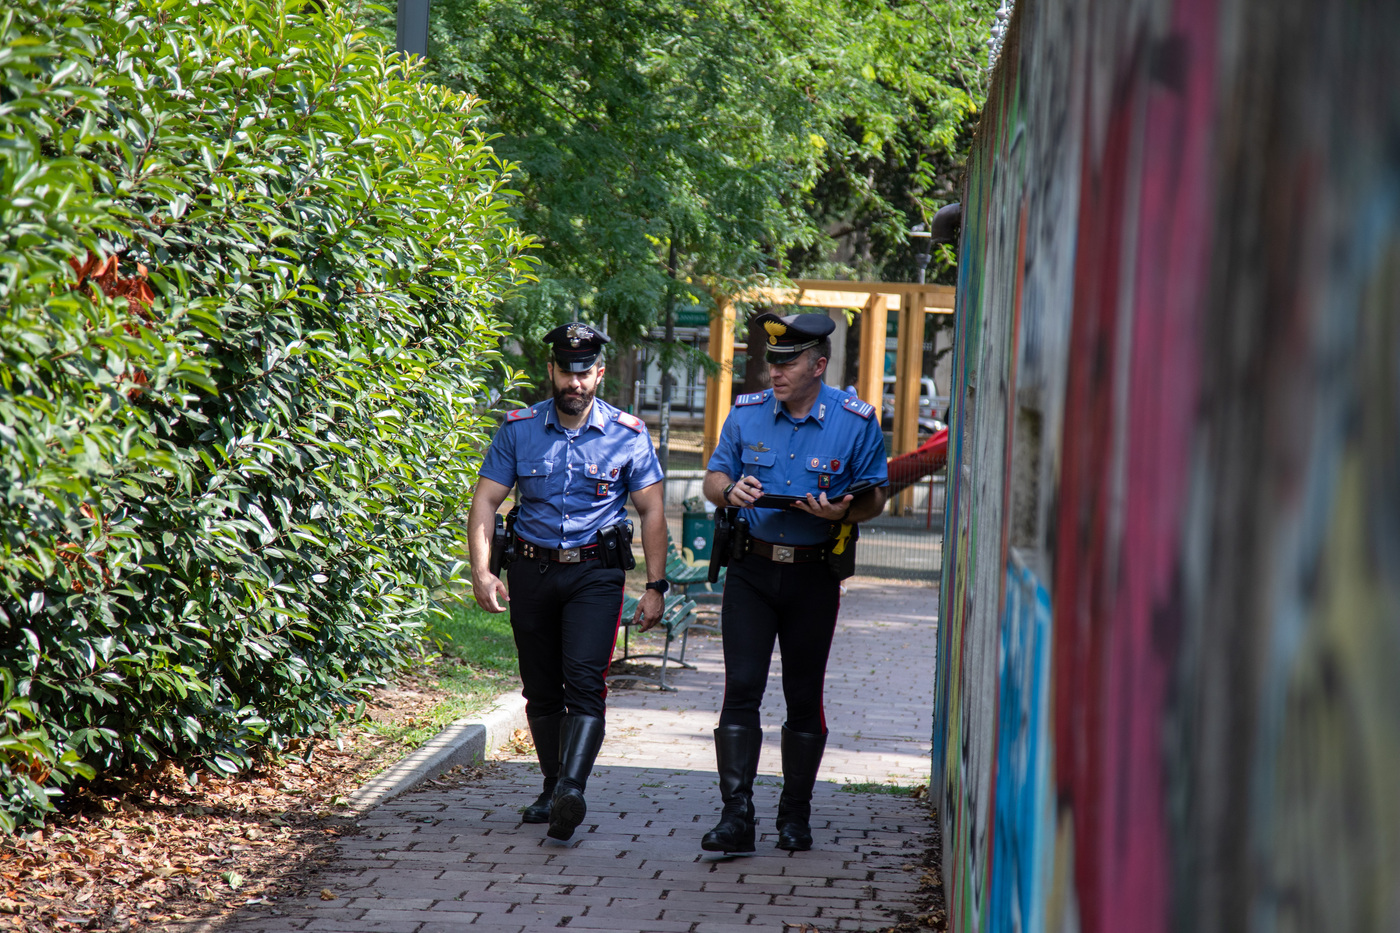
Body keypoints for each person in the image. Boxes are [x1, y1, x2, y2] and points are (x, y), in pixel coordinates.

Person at [467, 322, 668, 842]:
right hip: (531, 572)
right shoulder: (518, 429)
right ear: (551, 371)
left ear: (598, 373)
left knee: (584, 683)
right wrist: (483, 570)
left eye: (584, 372)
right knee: (539, 689)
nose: (574, 382)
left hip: (594, 575)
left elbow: (651, 511)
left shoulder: (628, 433)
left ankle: (572, 789)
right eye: (566, 371)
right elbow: (486, 501)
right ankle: (552, 785)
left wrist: (655, 584)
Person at [700, 311, 889, 854]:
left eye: (787, 363)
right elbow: (715, 476)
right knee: (742, 689)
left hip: (812, 576)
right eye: (771, 362)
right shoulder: (747, 413)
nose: (774, 373)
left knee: (803, 695)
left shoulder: (855, 421)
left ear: (819, 365)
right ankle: (736, 815)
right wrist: (727, 491)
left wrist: (843, 515)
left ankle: (794, 815)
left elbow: (876, 495)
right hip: (752, 571)